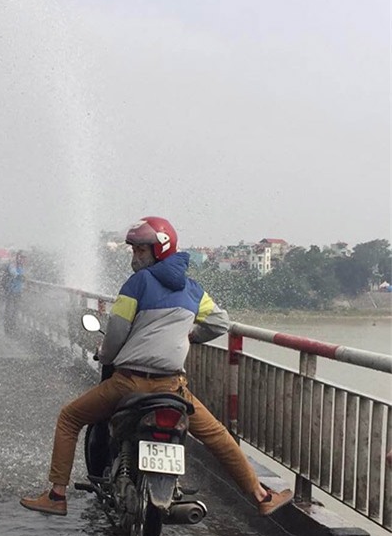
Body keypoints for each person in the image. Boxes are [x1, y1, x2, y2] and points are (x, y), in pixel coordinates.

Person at [20, 217, 293, 517]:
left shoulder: (136, 284)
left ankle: (57, 495)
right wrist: (192, 335)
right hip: (173, 387)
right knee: (217, 435)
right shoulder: (192, 290)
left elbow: (115, 335)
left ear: (159, 250)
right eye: (134, 251)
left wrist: (105, 354)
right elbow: (220, 323)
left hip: (128, 383)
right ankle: (261, 495)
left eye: (141, 251)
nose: (135, 257)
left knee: (69, 418)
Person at [2, 251, 25, 335]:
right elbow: (13, 272)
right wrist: (19, 276)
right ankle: (9, 328)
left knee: (14, 310)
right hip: (11, 291)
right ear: (17, 257)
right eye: (21, 257)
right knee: (10, 310)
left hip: (17, 291)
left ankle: (11, 327)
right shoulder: (13, 264)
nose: (23, 259)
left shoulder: (20, 266)